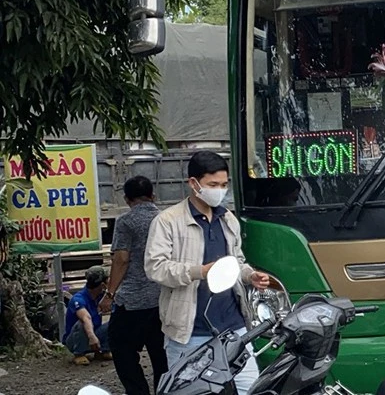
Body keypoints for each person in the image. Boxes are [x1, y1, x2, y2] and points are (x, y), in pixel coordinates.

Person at [144, 150, 271, 395]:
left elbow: (236, 261)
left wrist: (249, 275)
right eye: (213, 185)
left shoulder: (228, 219)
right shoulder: (167, 221)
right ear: (194, 184)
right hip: (189, 332)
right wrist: (199, 271)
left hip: (234, 329)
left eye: (223, 185)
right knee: (191, 391)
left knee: (250, 389)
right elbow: (155, 268)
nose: (219, 190)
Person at [99, 176, 169, 395]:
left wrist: (109, 294)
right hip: (163, 298)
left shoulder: (126, 221)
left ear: (127, 199)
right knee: (161, 354)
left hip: (134, 300)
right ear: (153, 196)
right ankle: (165, 391)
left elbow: (121, 259)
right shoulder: (166, 219)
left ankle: (138, 391)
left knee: (121, 347)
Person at [62, 266, 112, 365]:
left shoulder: (102, 297)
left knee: (114, 321)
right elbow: (86, 318)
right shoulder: (78, 298)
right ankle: (79, 353)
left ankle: (104, 351)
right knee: (82, 323)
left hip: (95, 334)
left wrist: (109, 295)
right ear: (102, 284)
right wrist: (92, 336)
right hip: (76, 340)